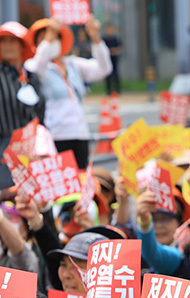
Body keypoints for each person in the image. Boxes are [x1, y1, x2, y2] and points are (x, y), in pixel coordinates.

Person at [24, 17, 112, 168]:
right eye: (45, 39)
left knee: (80, 180)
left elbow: (104, 69)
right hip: (55, 135)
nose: (51, 41)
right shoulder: (36, 67)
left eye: (55, 37)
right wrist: (48, 39)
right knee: (61, 183)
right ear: (38, 45)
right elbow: (35, 68)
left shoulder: (72, 64)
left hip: (80, 133)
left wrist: (96, 39)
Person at [0, 22, 38, 190]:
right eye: (3, 41)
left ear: (23, 46)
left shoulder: (31, 74)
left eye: (13, 41)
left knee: (33, 197)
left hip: (32, 147)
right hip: (4, 147)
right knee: (8, 198)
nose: (7, 45)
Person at [102, 24, 122, 95]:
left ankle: (118, 90)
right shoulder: (104, 39)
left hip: (114, 59)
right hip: (107, 59)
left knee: (116, 74)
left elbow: (119, 48)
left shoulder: (115, 39)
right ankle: (108, 91)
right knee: (107, 75)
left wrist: (114, 51)